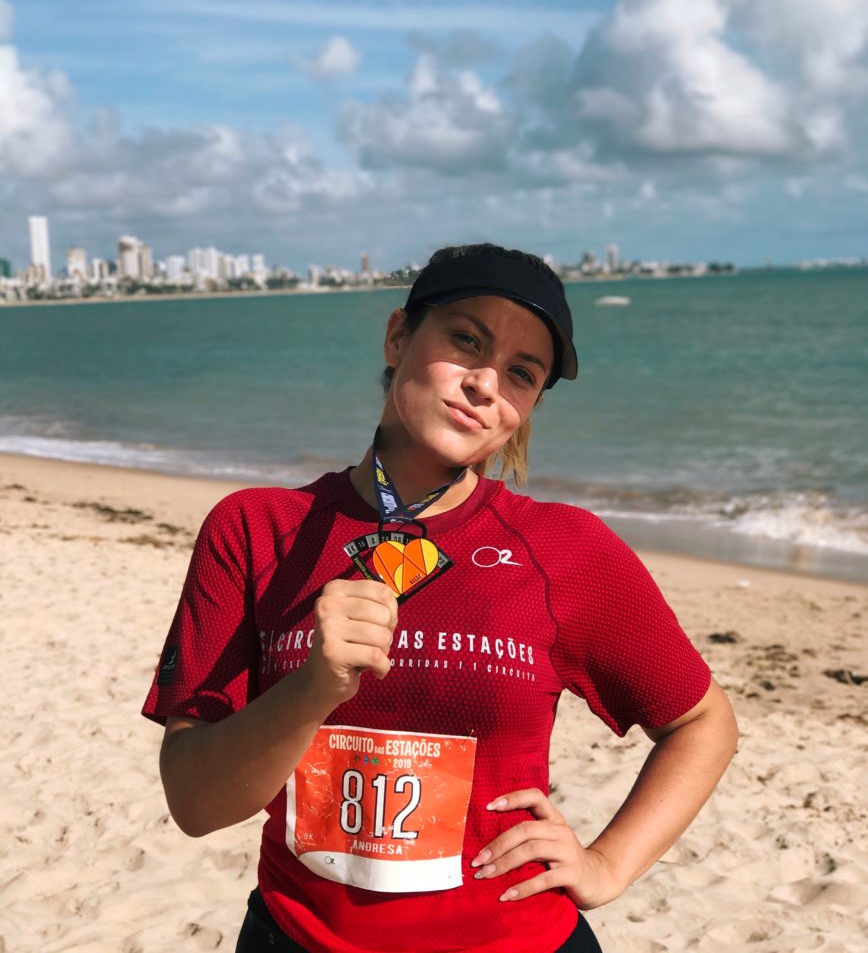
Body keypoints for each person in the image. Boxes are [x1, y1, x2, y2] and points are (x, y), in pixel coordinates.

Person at [142, 243, 738, 953]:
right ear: (398, 337)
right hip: (298, 938)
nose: (487, 383)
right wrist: (312, 689)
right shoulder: (256, 529)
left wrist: (608, 863)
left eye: (521, 373)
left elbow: (703, 722)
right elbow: (195, 804)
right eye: (466, 340)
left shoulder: (565, 548)